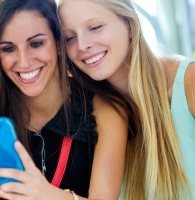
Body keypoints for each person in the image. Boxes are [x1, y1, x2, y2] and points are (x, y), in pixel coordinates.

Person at [0, 0, 129, 199]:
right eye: (8, 48)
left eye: (36, 43)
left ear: (59, 42)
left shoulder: (105, 110)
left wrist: (46, 194)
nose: (24, 61)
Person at [58, 0, 195, 199]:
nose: (82, 45)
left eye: (95, 27)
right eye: (69, 38)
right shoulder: (89, 115)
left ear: (129, 24)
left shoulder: (189, 81)